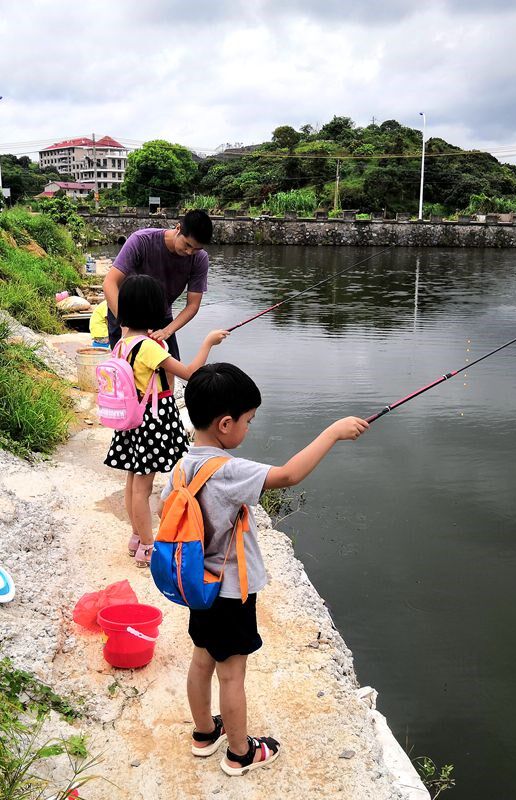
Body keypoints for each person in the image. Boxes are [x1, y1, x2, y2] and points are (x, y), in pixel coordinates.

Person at [163, 362, 368, 776]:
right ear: (225, 424)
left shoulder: (183, 466)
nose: (249, 429)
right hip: (229, 592)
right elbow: (289, 475)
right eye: (248, 421)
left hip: (196, 587)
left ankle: (205, 733)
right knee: (232, 674)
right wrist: (333, 432)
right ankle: (240, 752)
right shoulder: (230, 471)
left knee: (202, 658)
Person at [104, 275, 228, 567]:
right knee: (144, 488)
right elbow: (191, 374)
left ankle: (136, 537)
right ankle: (147, 546)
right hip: (154, 421)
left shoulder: (123, 343)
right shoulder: (149, 348)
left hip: (133, 420)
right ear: (153, 310)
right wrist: (209, 343)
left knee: (133, 482)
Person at [103, 209, 213, 360]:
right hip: (124, 312)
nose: (189, 252)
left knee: (170, 366)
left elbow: (192, 305)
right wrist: (125, 324)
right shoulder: (141, 241)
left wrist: (167, 331)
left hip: (160, 316)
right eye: (187, 245)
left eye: (196, 249)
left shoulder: (199, 259)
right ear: (178, 228)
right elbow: (109, 283)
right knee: (127, 365)